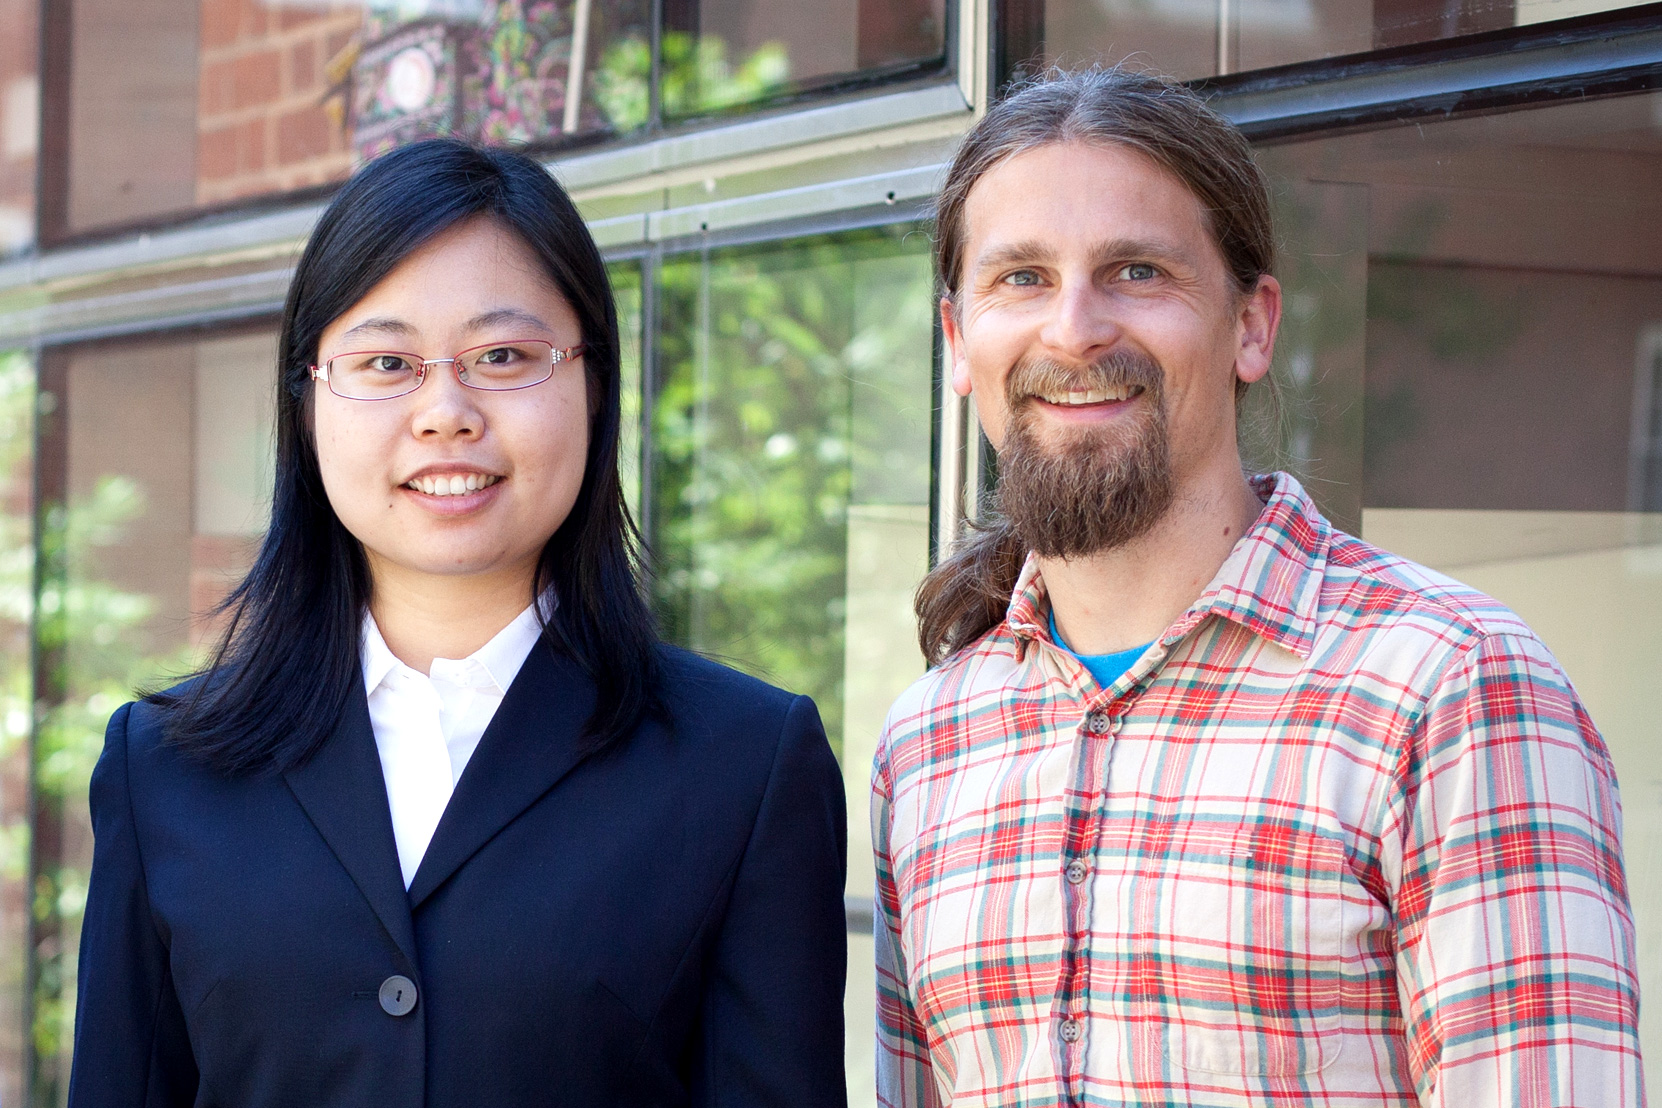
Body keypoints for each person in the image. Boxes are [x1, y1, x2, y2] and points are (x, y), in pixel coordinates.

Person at [873, 68, 1643, 1107]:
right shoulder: (927, 744)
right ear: (960, 341)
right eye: (1021, 279)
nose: (1074, 328)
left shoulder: (1452, 690)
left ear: (1251, 325)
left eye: (1137, 271)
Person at [70, 138, 848, 1108]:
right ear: (308, 402)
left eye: (504, 356)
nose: (445, 412)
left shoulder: (744, 766)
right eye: (386, 361)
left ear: (594, 385)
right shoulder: (165, 769)